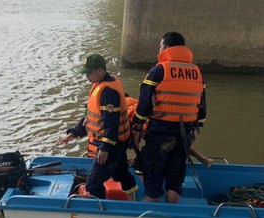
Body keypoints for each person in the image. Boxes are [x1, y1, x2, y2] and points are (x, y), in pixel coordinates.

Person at [131, 31, 207, 203]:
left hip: (160, 132)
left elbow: (143, 105)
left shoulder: (158, 71)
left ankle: (151, 217)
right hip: (184, 133)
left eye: (160, 46)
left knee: (153, 179)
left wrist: (137, 128)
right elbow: (202, 106)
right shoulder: (197, 72)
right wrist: (196, 128)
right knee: (175, 180)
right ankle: (172, 215)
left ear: (165, 47)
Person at [70, 53, 138, 201]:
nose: (87, 76)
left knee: (93, 184)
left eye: (89, 73)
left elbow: (111, 122)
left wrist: (104, 148)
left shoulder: (108, 92)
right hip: (119, 142)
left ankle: (100, 211)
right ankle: (134, 201)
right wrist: (74, 133)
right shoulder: (100, 86)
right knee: (122, 173)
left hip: (112, 144)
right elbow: (89, 116)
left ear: (100, 71)